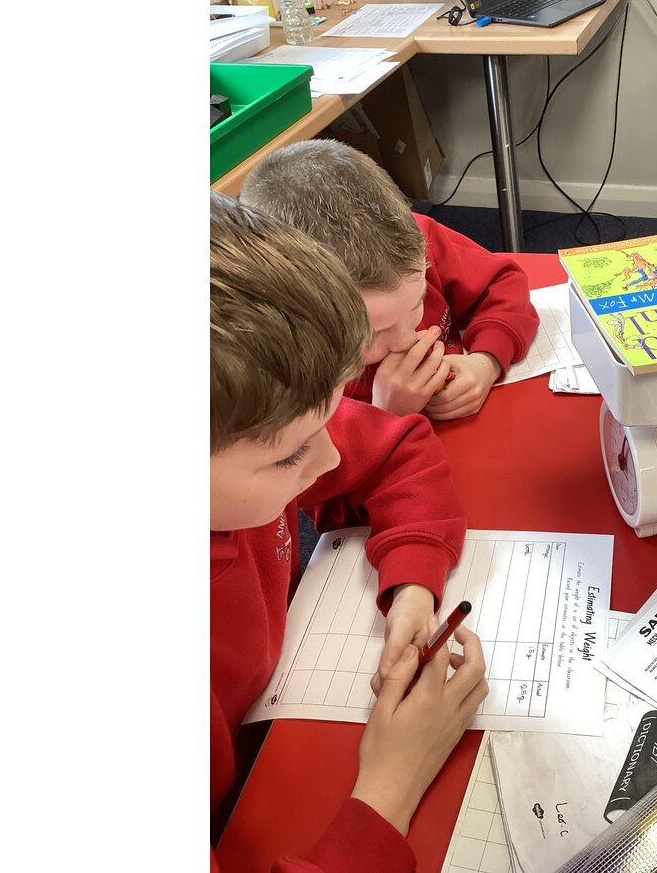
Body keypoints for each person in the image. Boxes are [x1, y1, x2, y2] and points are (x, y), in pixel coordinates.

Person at [210, 193, 487, 871]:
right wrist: (391, 787)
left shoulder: (244, 422)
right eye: (290, 457)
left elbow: (395, 452)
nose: (331, 460)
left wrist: (414, 589)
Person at [239, 139, 539, 420]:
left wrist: (485, 361)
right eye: (372, 333)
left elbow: (503, 282)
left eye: (418, 303)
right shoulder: (270, 370)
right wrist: (385, 414)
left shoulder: (416, 245)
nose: (407, 339)